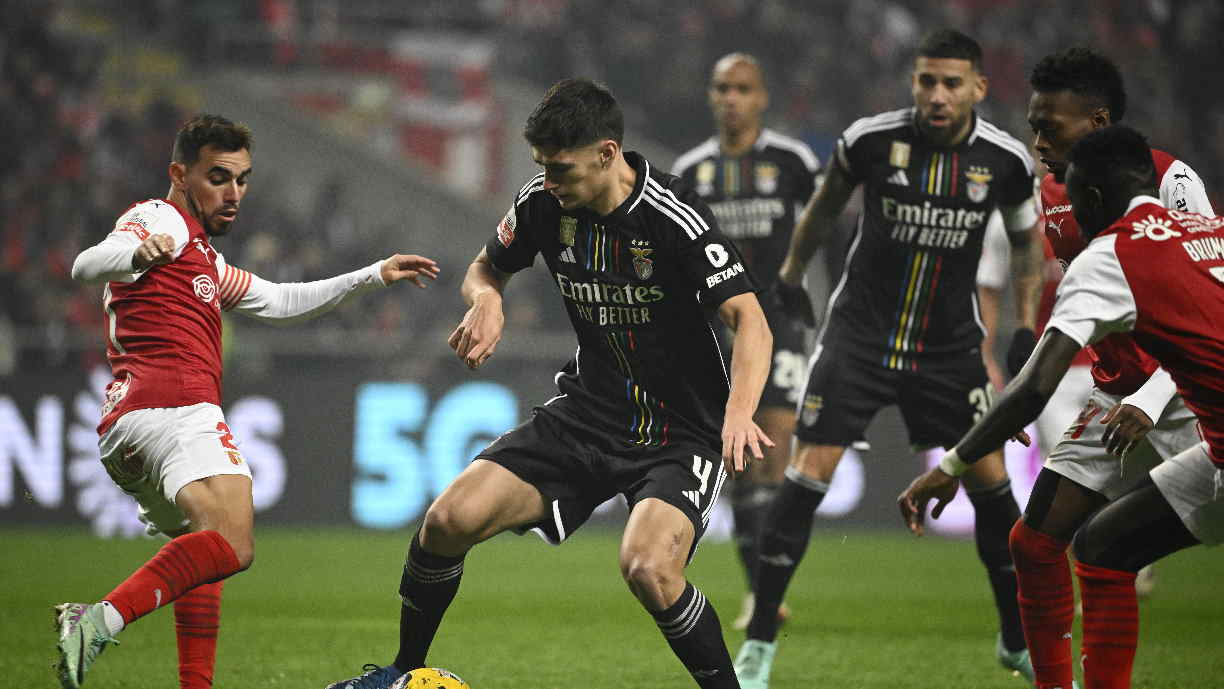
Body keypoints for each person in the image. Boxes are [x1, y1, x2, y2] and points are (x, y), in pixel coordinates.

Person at [324, 79, 772, 689]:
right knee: (447, 519)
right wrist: (487, 299)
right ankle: (402, 674)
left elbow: (750, 320)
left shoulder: (675, 216)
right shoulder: (543, 204)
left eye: (560, 169)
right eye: (542, 168)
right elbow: (486, 266)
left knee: (648, 567)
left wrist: (740, 413)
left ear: (608, 154)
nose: (549, 182)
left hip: (681, 430)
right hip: (587, 414)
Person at [56, 114, 439, 689]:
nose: (233, 193)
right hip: (175, 411)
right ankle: (98, 620)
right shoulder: (161, 219)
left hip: (131, 429)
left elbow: (281, 300)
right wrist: (138, 254)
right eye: (218, 177)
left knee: (203, 548)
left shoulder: (204, 260)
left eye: (242, 179)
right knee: (233, 542)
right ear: (179, 175)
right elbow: (86, 264)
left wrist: (373, 275)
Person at [733, 29, 1044, 689]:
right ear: (913, 83)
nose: (937, 95)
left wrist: (1024, 324)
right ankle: (759, 640)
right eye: (926, 81)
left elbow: (1026, 245)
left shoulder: (1007, 160)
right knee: (806, 473)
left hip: (950, 345)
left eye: (951, 83)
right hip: (860, 336)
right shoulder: (870, 140)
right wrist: (790, 277)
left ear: (979, 89)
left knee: (994, 490)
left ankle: (1016, 639)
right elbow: (819, 211)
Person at [900, 124, 1224, 689]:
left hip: (1163, 408)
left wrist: (951, 465)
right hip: (1190, 435)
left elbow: (1031, 389)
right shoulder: (1210, 229)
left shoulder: (1109, 256)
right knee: (1097, 546)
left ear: (1092, 199)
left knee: (1095, 544)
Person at [1006, 48, 1215, 689]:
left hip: (1181, 390)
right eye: (1034, 125)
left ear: (1097, 122)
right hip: (1113, 389)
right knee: (1035, 542)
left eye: (1051, 127)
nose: (1038, 140)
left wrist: (1151, 398)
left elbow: (1206, 310)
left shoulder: (1170, 179)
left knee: (1109, 548)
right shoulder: (1052, 189)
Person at [672, 52, 820, 630]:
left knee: (772, 453)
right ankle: (760, 593)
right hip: (714, 333)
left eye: (741, 89)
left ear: (761, 98)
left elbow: (828, 233)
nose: (730, 98)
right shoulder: (691, 170)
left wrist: (824, 309)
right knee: (735, 463)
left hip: (780, 325)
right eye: (721, 87)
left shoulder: (793, 162)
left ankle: (768, 587)